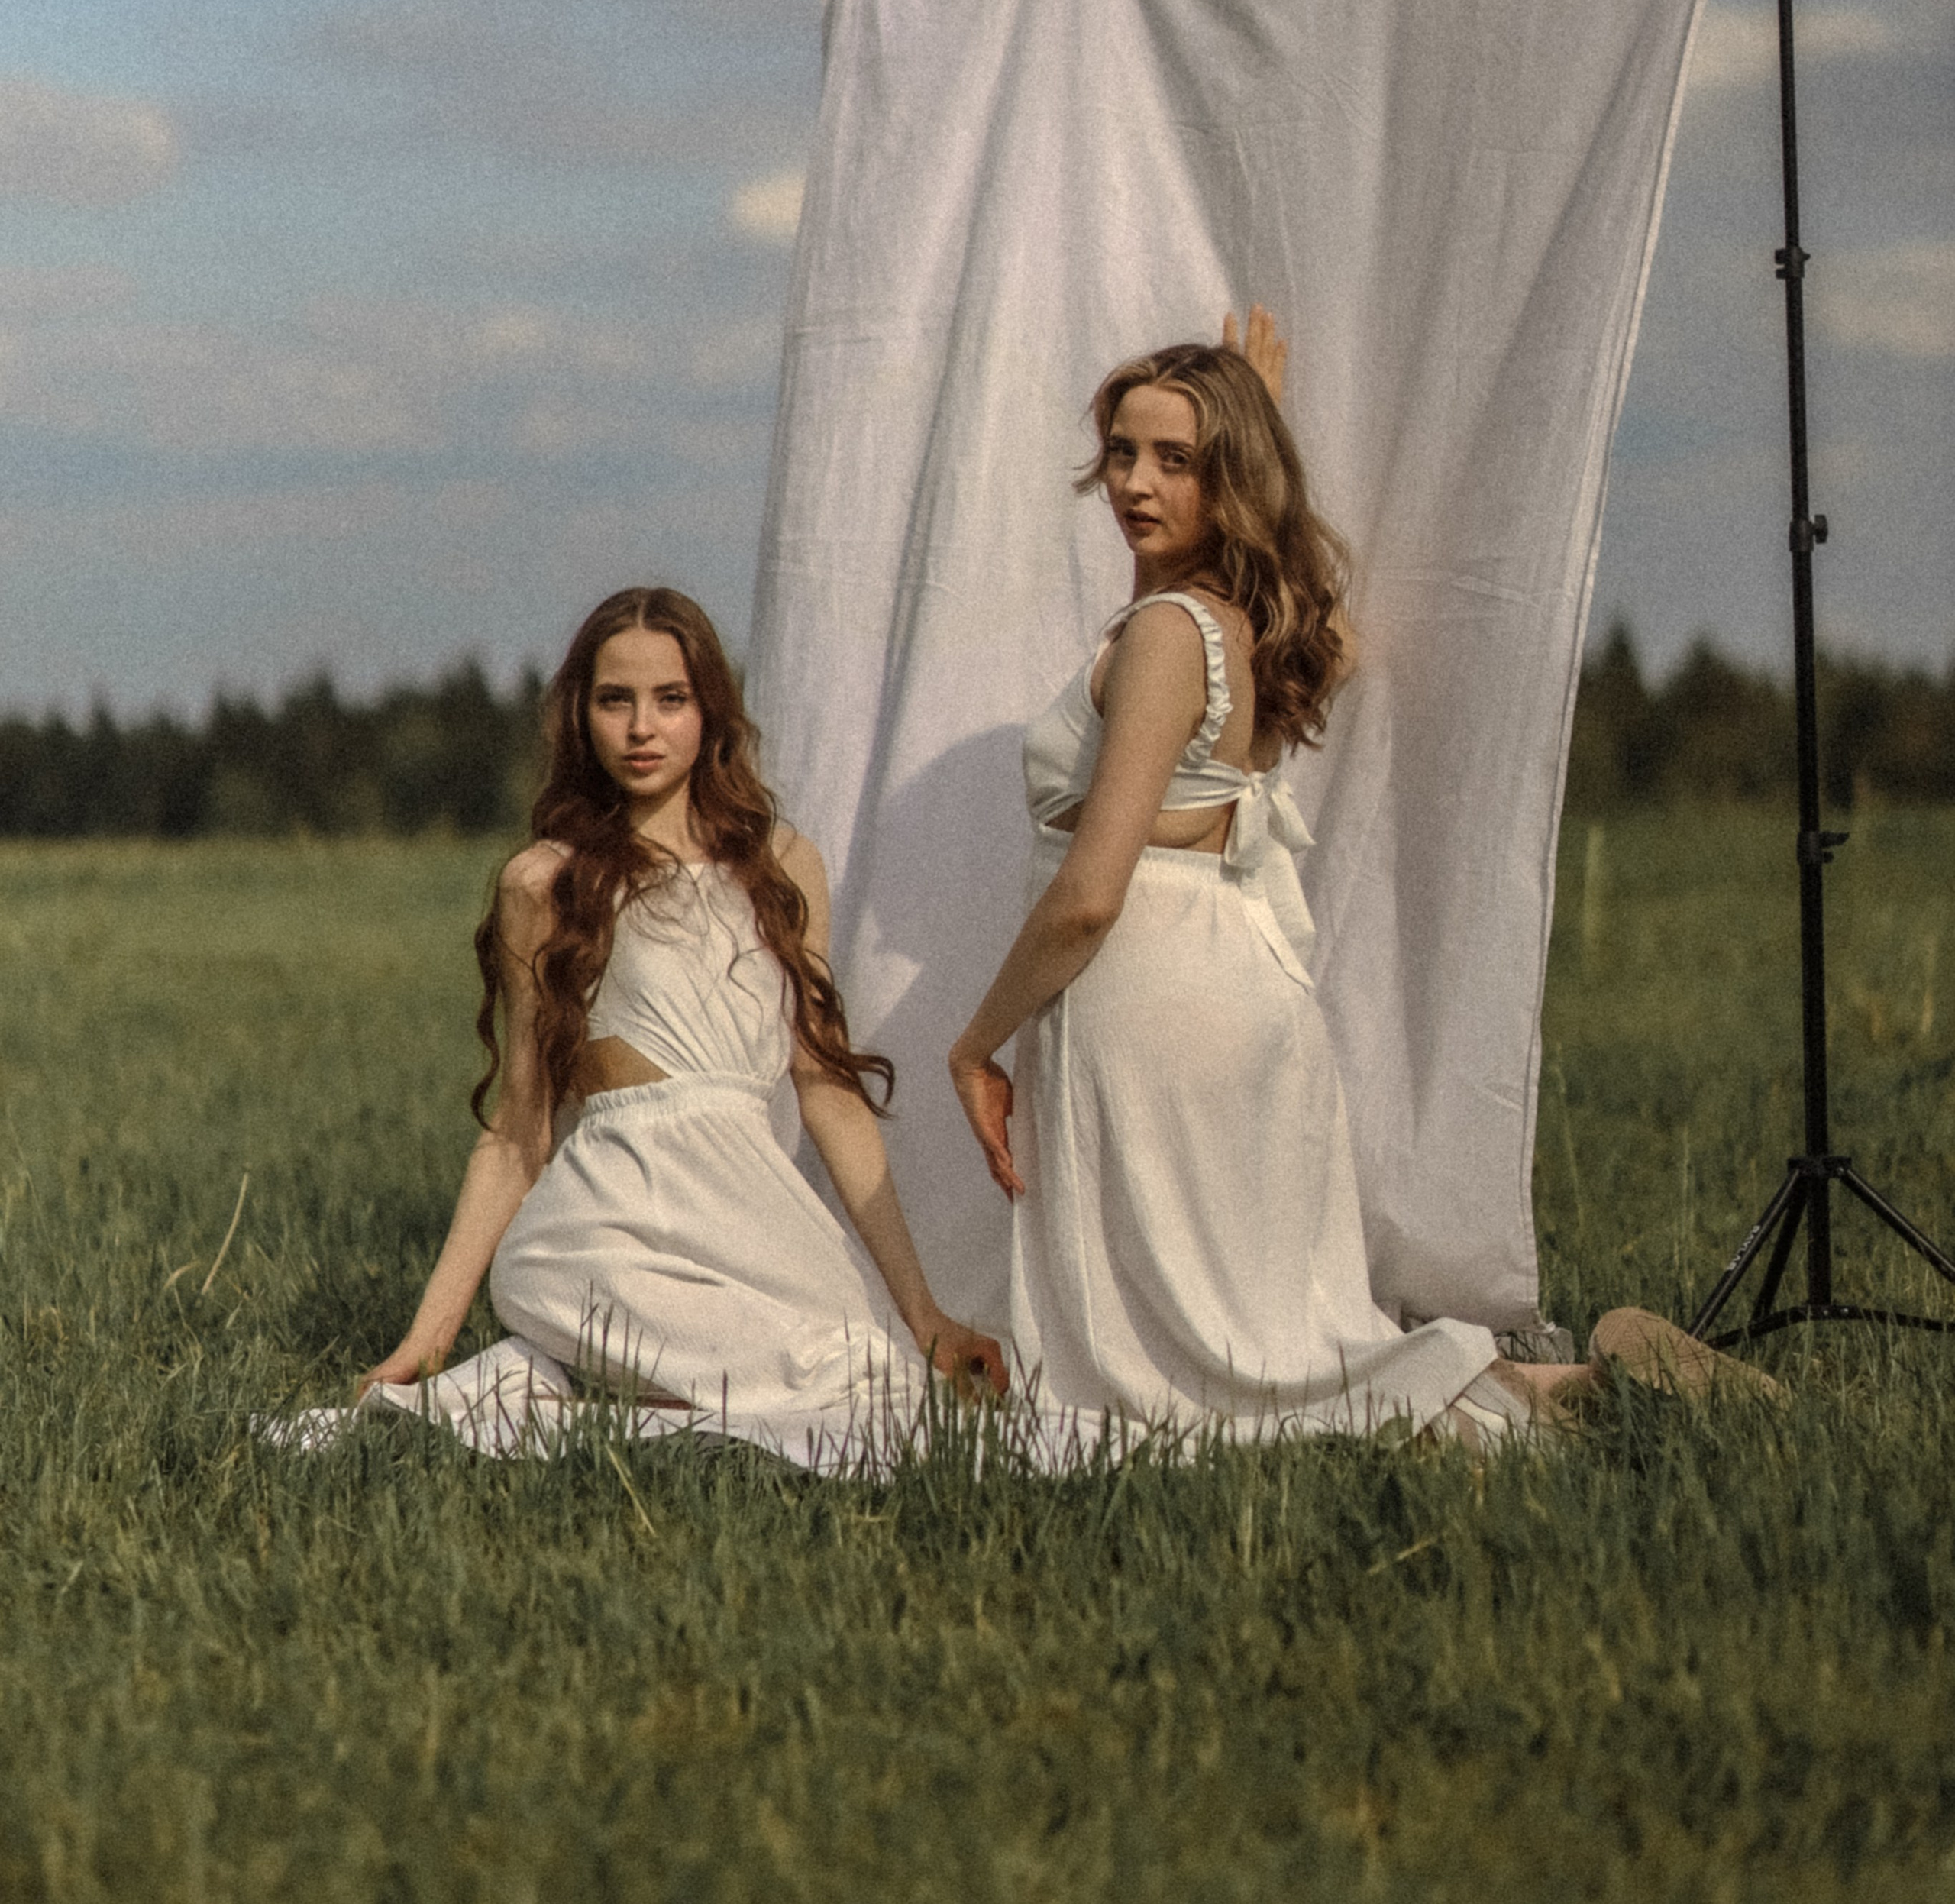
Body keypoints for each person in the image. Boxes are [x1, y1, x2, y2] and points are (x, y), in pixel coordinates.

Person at [947, 313, 1758, 1443]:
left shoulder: (1170, 638)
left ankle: (1558, 1405)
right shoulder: (1250, 628)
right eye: (1125, 453)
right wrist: (1254, 423)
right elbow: (1321, 617)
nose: (1135, 481)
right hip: (1244, 986)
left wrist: (975, 1043)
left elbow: (1091, 891)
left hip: (1153, 995)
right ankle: (1592, 1392)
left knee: (1208, 1379)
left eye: (1176, 460)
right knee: (1273, 1334)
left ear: (1227, 477)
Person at [357, 586, 1003, 1463]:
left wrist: (922, 1313)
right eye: (613, 700)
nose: (641, 728)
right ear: (581, 717)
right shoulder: (545, 884)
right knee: (776, 1393)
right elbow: (516, 1132)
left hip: (752, 1220)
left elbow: (830, 1097)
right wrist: (425, 1342)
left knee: (866, 1384)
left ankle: (565, 1395)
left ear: (712, 712)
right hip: (601, 1230)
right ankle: (584, 1381)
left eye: (671, 699)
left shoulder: (782, 866)